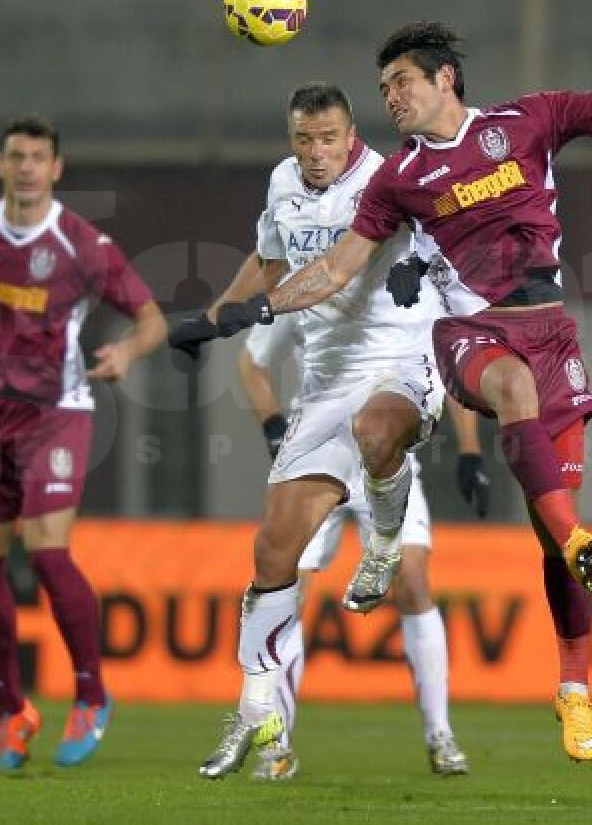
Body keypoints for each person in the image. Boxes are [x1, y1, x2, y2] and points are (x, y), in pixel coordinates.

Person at [205, 0, 592, 763]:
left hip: (551, 334)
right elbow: (336, 269)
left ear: (445, 78)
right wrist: (260, 306)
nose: (391, 98)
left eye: (401, 82)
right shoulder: (397, 178)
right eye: (384, 89)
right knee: (512, 392)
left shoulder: (528, 122)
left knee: (550, 533)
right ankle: (571, 541)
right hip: (469, 335)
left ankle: (574, 687)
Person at [168, 82, 475, 779]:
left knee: (378, 432)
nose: (315, 153)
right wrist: (212, 319)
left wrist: (429, 272)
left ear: (351, 135)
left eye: (327, 138)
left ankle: (386, 549)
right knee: (273, 553)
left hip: (401, 362)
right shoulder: (283, 183)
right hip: (324, 383)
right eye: (303, 139)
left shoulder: (387, 179)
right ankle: (256, 717)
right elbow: (271, 262)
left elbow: (342, 270)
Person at [0, 116, 167, 771]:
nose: (25, 168)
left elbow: (151, 318)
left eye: (37, 158)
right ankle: (10, 711)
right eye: (15, 156)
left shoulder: (82, 245)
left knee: (47, 553)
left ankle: (91, 694)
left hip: (55, 412)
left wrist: (126, 352)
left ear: (56, 169)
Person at [237, 317, 487, 779]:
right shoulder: (308, 286)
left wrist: (470, 451)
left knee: (413, 583)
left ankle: (440, 734)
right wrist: (273, 426)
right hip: (319, 457)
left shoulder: (409, 289)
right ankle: (277, 746)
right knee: (290, 590)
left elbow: (448, 365)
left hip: (385, 459)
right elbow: (252, 361)